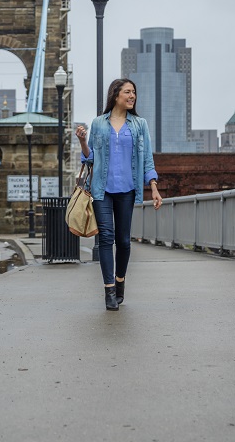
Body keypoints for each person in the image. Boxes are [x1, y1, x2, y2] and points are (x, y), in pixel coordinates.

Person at [75, 78, 163, 311]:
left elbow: (147, 160)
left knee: (123, 241)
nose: (132, 96)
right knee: (106, 238)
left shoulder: (139, 124)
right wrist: (83, 141)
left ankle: (120, 281)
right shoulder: (99, 123)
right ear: (115, 95)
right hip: (102, 190)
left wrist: (153, 186)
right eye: (127, 92)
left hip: (127, 190)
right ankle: (109, 290)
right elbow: (89, 158)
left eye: (134, 92)